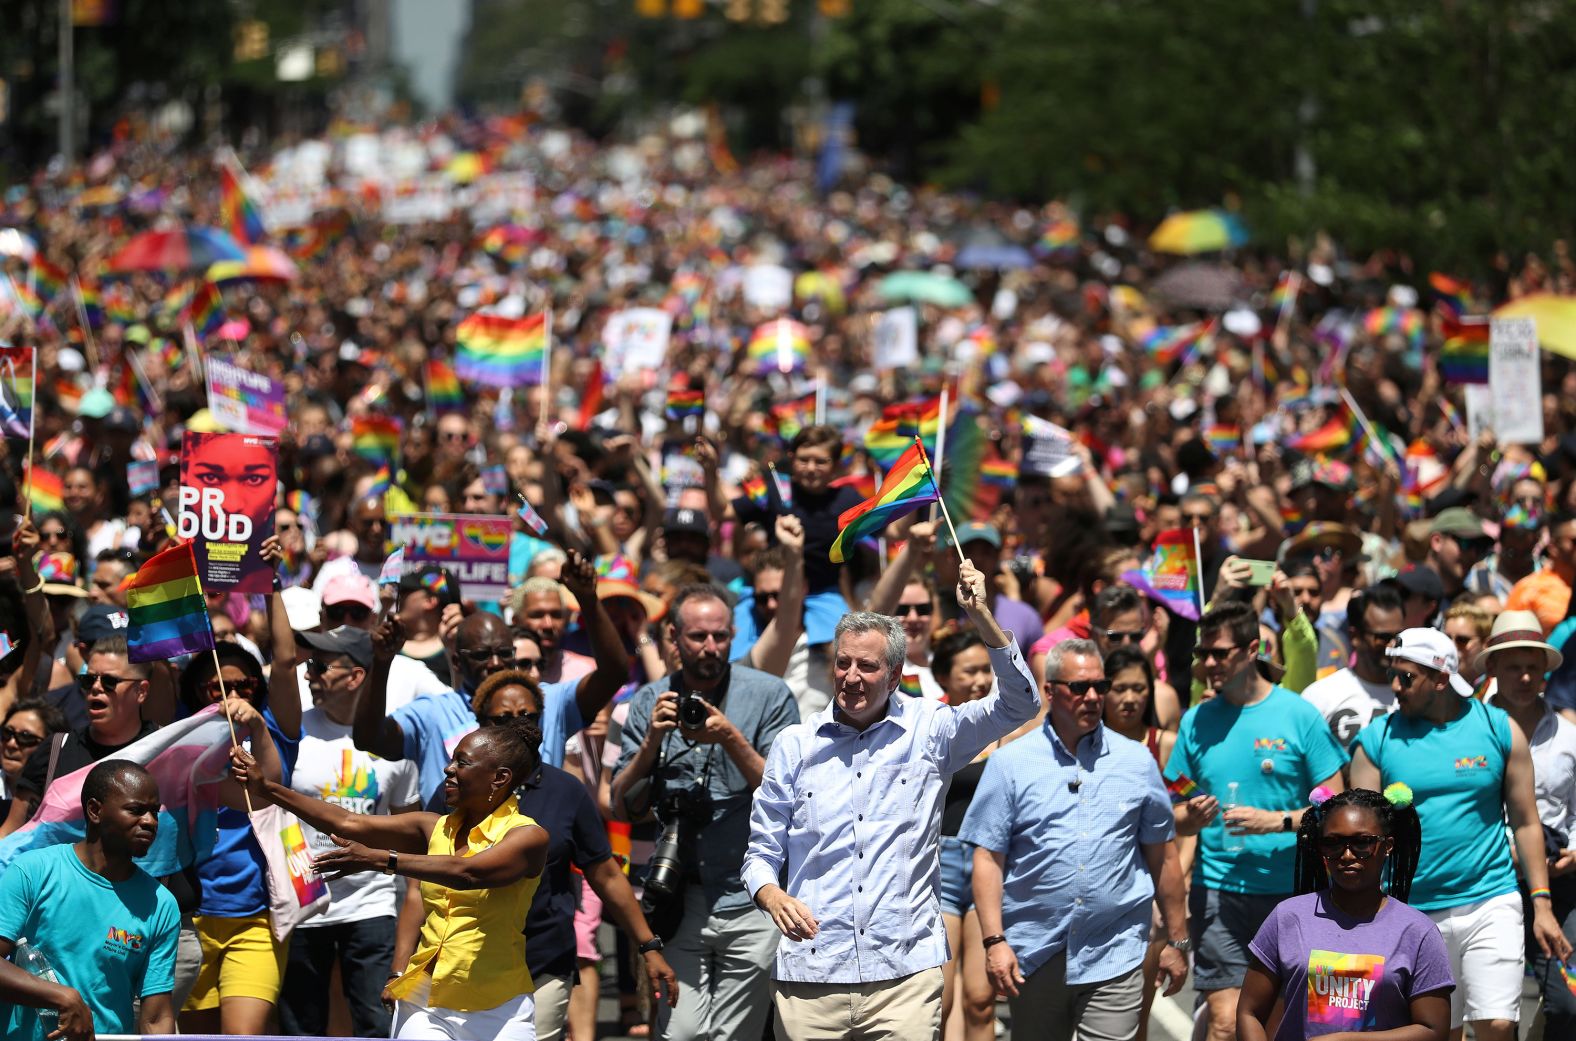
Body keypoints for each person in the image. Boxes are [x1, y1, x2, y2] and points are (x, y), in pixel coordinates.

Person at [741, 561, 1040, 1040]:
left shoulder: (931, 729)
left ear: (896, 673)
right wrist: (770, 894)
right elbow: (760, 854)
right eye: (843, 663)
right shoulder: (794, 745)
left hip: (906, 974)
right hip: (812, 977)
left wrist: (980, 615)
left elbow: (1021, 704)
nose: (851, 677)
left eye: (867, 665)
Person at [230, 720, 550, 1041]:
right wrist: (266, 789)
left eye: (462, 763)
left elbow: (468, 872)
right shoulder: (433, 827)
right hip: (426, 1001)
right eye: (452, 759)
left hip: (501, 1008)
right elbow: (347, 821)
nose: (448, 769)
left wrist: (381, 859)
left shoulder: (528, 836)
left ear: (500, 778)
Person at [1351, 627, 1574, 1041]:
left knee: (1497, 1025)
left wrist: (1541, 904)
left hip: (1491, 900)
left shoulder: (1499, 729)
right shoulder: (1376, 740)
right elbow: (1358, 838)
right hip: (1412, 911)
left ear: (1440, 678)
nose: (1394, 687)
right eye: (1391, 675)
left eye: (1405, 677)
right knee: (1438, 1034)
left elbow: (1526, 821)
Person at [962, 638, 1187, 1041]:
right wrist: (994, 941)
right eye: (1079, 687)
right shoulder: (1010, 763)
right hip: (1034, 950)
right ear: (1050, 691)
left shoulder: (1136, 761)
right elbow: (988, 859)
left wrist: (1177, 939)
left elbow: (1164, 857)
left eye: (1100, 686)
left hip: (1115, 948)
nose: (1093, 697)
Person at [612, 582, 800, 1041]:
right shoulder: (649, 700)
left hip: (752, 895)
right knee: (681, 1033)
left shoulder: (770, 695)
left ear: (734, 634)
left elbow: (790, 794)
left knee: (736, 1035)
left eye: (720, 636)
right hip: (680, 895)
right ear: (674, 637)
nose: (711, 647)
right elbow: (624, 803)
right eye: (698, 637)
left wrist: (732, 738)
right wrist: (652, 743)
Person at [1164, 601, 1350, 1041]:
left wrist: (1275, 822)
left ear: (1252, 649)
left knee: (1299, 1022)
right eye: (1202, 653)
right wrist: (1190, 815)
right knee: (1227, 1022)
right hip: (1220, 894)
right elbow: (1172, 814)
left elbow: (1340, 809)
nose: (1208, 663)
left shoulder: (1298, 715)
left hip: (1297, 893)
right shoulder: (1196, 722)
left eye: (1220, 652)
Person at [465, 668, 680, 1040]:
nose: (518, 725)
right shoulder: (457, 790)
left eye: (529, 716)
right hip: (468, 963)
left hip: (545, 962)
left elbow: (605, 874)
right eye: (502, 719)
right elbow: (426, 879)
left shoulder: (567, 791)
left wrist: (648, 946)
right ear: (480, 723)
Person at [355, 546, 627, 802]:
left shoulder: (549, 701)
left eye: (505, 654)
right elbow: (369, 738)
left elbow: (614, 673)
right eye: (482, 656)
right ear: (457, 663)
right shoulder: (434, 713)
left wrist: (589, 600)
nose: (496, 663)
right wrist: (381, 662)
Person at [280, 622, 422, 1038]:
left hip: (372, 907)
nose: (310, 674)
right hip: (303, 904)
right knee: (299, 1029)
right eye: (310, 665)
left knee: (379, 1026)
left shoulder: (392, 741)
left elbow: (411, 832)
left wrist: (413, 900)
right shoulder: (293, 734)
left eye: (321, 665)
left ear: (357, 675)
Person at [1237, 787, 1452, 1041]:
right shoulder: (1288, 917)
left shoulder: (1418, 932)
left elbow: (1433, 1030)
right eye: (1333, 843)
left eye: (1363, 842)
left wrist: (1347, 1040)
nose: (1347, 855)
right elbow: (1249, 1013)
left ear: (1388, 846)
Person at [0, 761, 181, 1039]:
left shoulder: (162, 905)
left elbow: (156, 1017)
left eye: (154, 812)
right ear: (95, 810)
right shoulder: (32, 871)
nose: (150, 821)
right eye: (136, 810)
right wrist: (61, 996)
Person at [1475, 611, 1576, 1037]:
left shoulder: (1569, 737)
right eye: (1513, 667)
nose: (1523, 677)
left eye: (1532, 668)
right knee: (1493, 1013)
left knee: (1569, 1004)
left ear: (1544, 674)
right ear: (1494, 669)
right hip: (1486, 884)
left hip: (1562, 884)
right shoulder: (1468, 733)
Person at [1300, 585, 1406, 747]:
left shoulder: (1416, 695)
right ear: (1355, 636)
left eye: (1398, 637)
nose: (1392, 646)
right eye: (1382, 637)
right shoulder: (1320, 697)